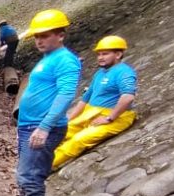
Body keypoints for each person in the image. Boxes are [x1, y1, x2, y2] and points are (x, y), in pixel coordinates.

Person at [8, 9, 81, 196]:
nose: (39, 40)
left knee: (30, 176)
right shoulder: (48, 58)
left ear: (60, 34)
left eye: (45, 35)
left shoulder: (65, 60)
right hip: (29, 125)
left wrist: (45, 127)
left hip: (41, 128)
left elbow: (66, 93)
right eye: (37, 36)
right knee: (24, 175)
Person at [52, 35, 137, 169]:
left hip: (116, 117)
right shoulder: (100, 73)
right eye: (99, 54)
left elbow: (128, 97)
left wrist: (109, 118)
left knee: (79, 140)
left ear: (118, 54)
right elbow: (85, 99)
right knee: (60, 132)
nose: (100, 57)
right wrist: (69, 119)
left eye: (105, 54)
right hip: (91, 112)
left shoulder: (124, 72)